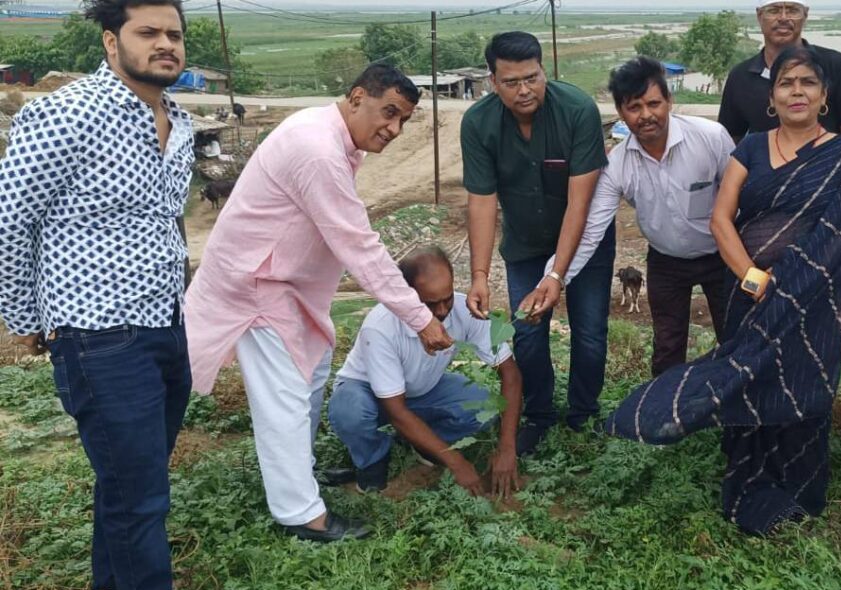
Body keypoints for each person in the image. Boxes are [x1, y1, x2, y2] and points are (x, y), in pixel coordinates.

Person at [0, 0, 212, 590]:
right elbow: (11, 218)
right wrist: (23, 318)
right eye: (148, 33)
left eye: (173, 34)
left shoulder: (179, 120)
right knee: (142, 493)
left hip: (162, 325)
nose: (165, 44)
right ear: (111, 40)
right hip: (97, 335)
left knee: (131, 478)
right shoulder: (64, 113)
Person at [602, 46, 841, 536]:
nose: (797, 92)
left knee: (802, 376)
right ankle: (742, 458)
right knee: (744, 365)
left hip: (813, 298)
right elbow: (721, 219)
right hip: (746, 285)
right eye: (786, 84)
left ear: (824, 95)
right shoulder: (747, 148)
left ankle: (798, 481)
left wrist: (797, 283)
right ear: (772, 96)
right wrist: (752, 276)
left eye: (807, 83)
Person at [184, 64, 454, 543]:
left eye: (403, 120)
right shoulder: (317, 149)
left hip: (285, 284)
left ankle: (298, 473)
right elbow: (358, 245)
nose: (393, 129)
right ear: (355, 97)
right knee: (286, 395)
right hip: (258, 284)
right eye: (387, 113)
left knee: (311, 373)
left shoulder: (332, 140)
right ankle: (300, 514)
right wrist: (418, 318)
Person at [461, 32, 610, 455]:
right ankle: (539, 415)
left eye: (532, 77)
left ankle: (583, 413)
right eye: (511, 82)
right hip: (525, 244)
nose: (524, 90)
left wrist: (557, 274)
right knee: (526, 332)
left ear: (545, 71)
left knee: (590, 333)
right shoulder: (478, 124)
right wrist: (478, 276)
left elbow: (580, 204)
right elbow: (482, 202)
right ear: (493, 81)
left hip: (584, 245)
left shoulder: (578, 110)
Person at [557, 56, 735, 376]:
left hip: (722, 256)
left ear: (669, 100)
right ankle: (664, 419)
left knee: (735, 337)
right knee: (668, 345)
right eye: (634, 107)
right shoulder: (617, 165)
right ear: (621, 113)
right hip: (665, 262)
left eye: (654, 103)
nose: (646, 115)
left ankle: (741, 421)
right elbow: (591, 230)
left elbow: (741, 200)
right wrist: (554, 279)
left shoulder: (711, 137)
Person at [324, 247, 523, 498]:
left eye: (447, 298)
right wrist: (456, 462)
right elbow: (396, 410)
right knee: (350, 412)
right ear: (406, 295)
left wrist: (507, 447)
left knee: (484, 407)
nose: (441, 311)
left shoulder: (465, 309)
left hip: (423, 390)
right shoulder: (381, 327)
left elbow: (510, 375)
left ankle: (419, 443)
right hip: (368, 393)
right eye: (430, 304)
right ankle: (372, 464)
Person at [719, 0, 841, 141]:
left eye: (792, 10)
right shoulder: (740, 76)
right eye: (773, 10)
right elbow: (730, 143)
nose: (783, 18)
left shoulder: (836, 65)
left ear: (805, 15)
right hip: (763, 165)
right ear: (759, 15)